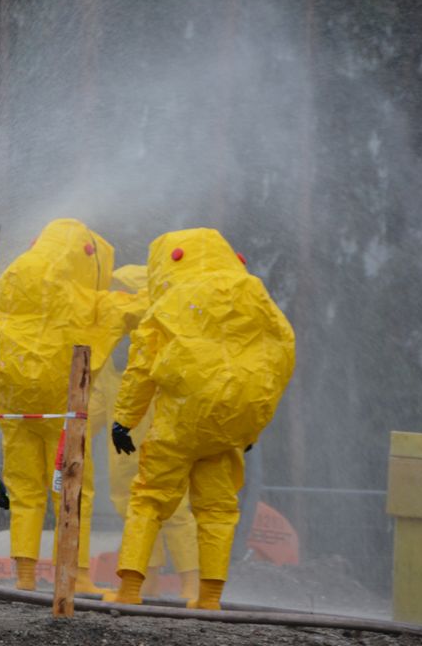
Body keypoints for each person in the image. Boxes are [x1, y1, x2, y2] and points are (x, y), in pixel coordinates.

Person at [112, 228, 295, 610]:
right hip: (229, 425)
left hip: (180, 420)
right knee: (218, 509)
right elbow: (280, 357)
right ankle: (210, 598)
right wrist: (253, 424)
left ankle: (130, 589)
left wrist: (125, 420)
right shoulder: (256, 295)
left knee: (149, 500)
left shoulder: (172, 301)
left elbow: (143, 363)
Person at [0, 219, 138, 593]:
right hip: (64, 416)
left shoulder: (4, 288)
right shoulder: (88, 301)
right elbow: (145, 308)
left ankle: (25, 576)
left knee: (26, 492)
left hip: (16, 411)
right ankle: (75, 576)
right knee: (73, 491)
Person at [86, 266, 199, 602]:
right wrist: (71, 431)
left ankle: (192, 584)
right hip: (125, 455)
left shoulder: (164, 343)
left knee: (175, 511)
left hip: (162, 446)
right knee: (133, 513)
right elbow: (100, 403)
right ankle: (144, 582)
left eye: (123, 295)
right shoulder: (111, 352)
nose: (115, 303)